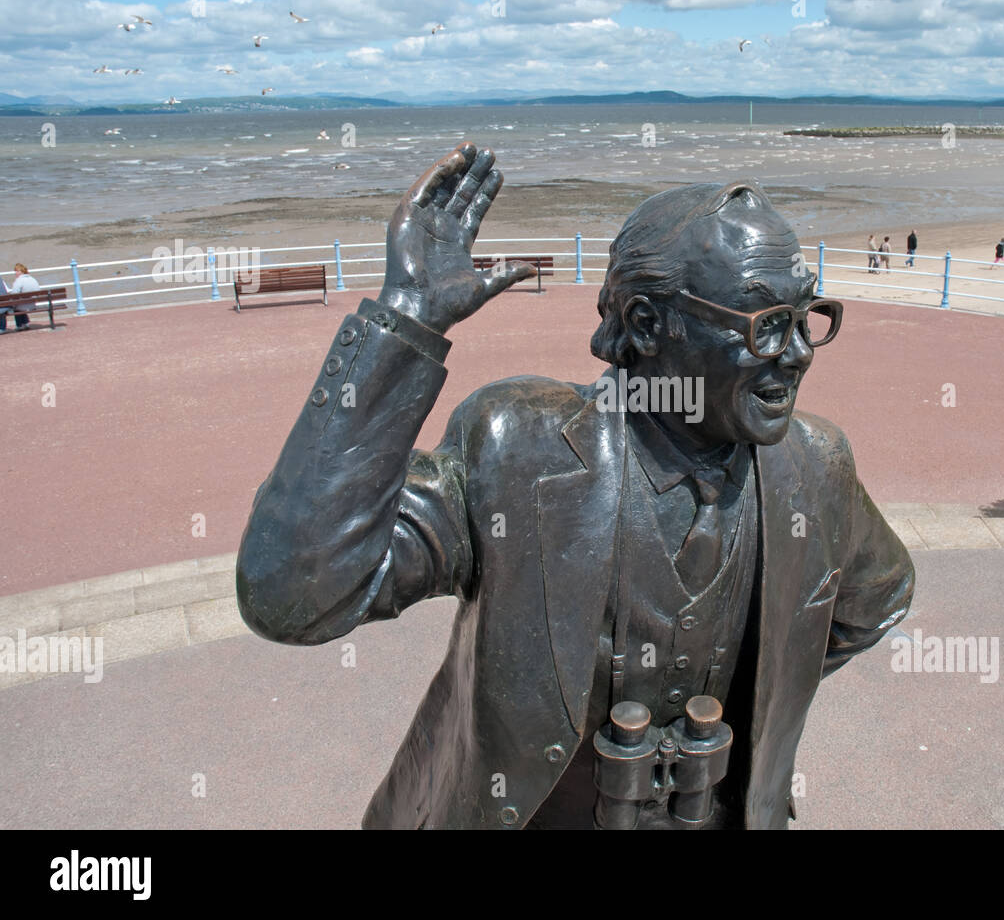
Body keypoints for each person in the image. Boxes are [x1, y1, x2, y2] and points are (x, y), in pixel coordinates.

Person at [236, 144, 915, 830]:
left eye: (806, 317)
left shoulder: (816, 465)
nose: (798, 353)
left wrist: (757, 697)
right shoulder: (516, 450)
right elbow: (294, 594)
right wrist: (407, 317)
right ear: (649, 324)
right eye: (766, 326)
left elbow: (876, 597)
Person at [1, 263, 38, 332]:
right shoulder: (33, 279)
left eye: (17, 271)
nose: (16, 273)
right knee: (20, 304)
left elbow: (14, 294)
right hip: (32, 304)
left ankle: (19, 325)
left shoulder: (19, 281)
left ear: (22, 271)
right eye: (15, 271)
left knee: (15, 307)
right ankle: (26, 323)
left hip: (24, 305)